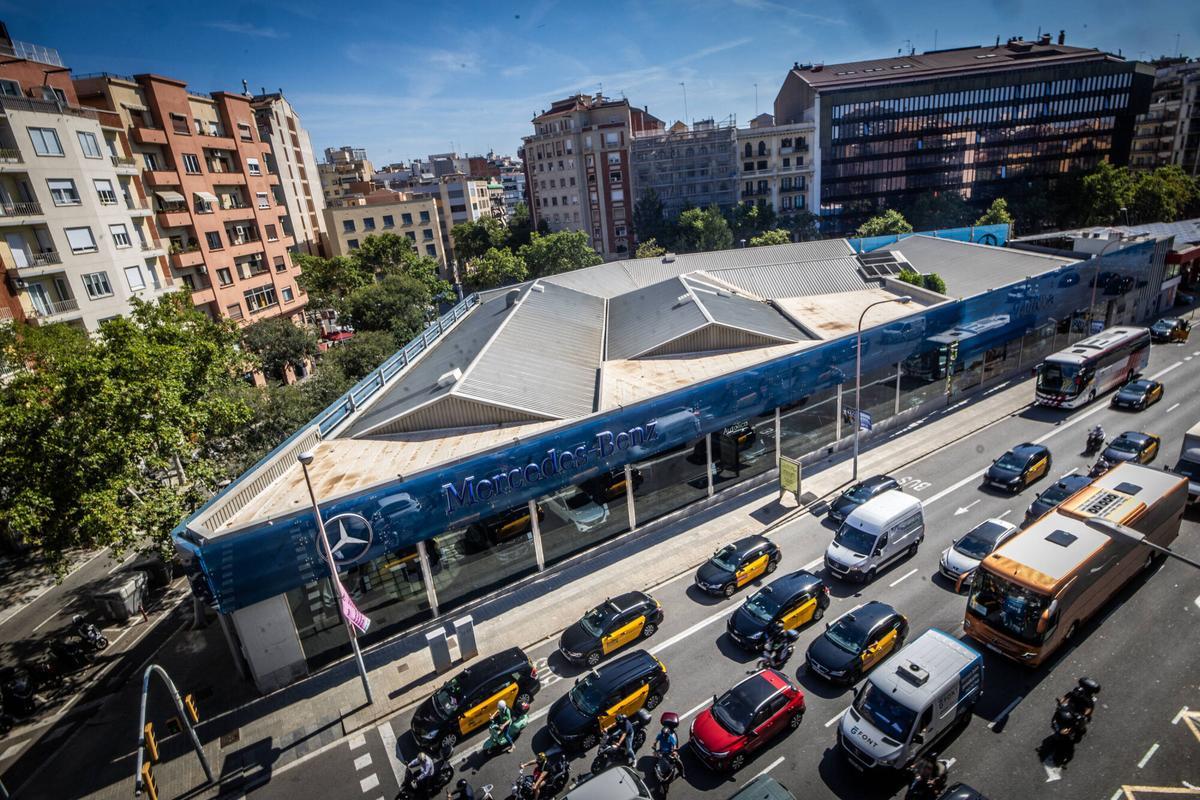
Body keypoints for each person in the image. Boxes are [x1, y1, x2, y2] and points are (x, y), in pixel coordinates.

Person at [654, 713, 684, 778]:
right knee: (655, 757)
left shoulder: (671, 738)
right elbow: (656, 740)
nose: (663, 737)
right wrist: (654, 745)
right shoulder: (660, 735)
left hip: (669, 752)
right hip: (662, 751)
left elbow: (674, 746)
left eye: (665, 736)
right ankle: (656, 770)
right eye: (663, 735)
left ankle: (682, 772)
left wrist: (674, 751)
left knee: (678, 762)